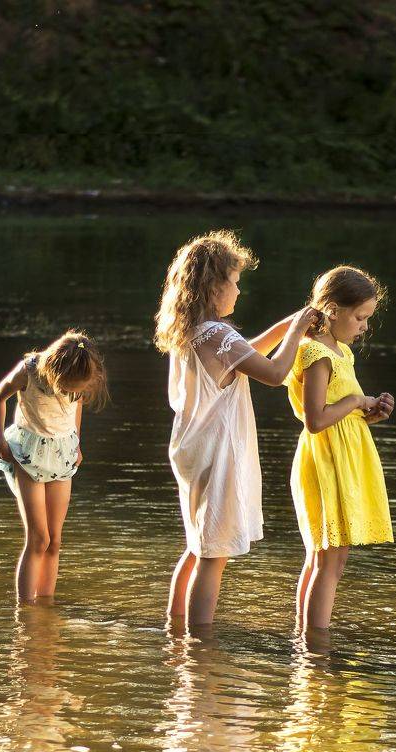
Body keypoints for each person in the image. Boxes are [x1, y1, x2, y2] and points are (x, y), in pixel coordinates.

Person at [153, 229, 321, 629]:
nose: (239, 291)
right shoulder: (218, 334)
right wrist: (297, 332)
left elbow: (245, 353)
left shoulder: (192, 333)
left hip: (192, 448)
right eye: (235, 282)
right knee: (213, 556)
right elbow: (274, 373)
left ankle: (176, 630)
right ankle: (199, 646)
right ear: (214, 288)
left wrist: (288, 326)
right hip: (217, 452)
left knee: (198, 546)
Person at [287, 265, 395, 632]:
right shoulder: (317, 353)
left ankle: (306, 639)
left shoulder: (342, 352)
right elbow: (315, 419)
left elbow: (341, 414)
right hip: (326, 461)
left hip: (343, 457)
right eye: (360, 317)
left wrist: (369, 414)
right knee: (328, 560)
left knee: (328, 558)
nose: (365, 326)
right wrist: (356, 401)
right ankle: (315, 646)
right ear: (333, 310)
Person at [0, 330, 108, 600]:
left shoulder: (81, 374)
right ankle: (25, 612)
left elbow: (77, 406)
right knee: (39, 538)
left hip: (62, 454)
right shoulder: (29, 371)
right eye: (67, 389)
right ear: (56, 372)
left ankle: (45, 607)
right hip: (28, 456)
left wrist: (77, 442)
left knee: (54, 540)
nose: (71, 394)